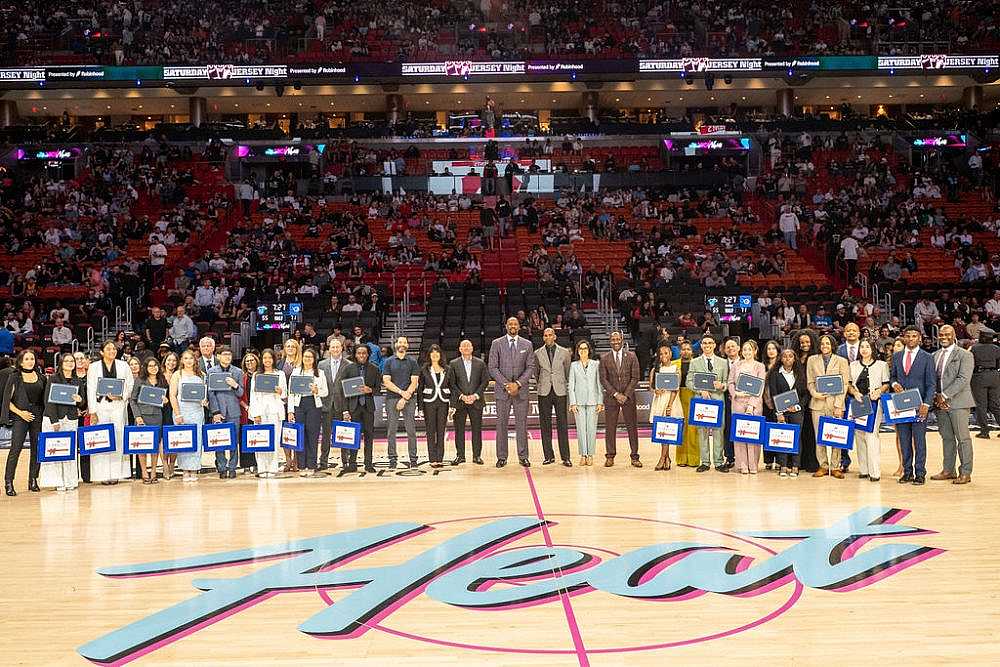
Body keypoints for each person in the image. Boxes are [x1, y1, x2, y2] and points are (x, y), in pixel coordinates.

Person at [890, 326, 937, 485]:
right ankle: (907, 472)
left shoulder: (927, 357)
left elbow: (931, 384)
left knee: (919, 441)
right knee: (904, 440)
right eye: (908, 336)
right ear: (903, 338)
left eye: (914, 336)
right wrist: (894, 383)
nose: (910, 339)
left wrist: (926, 403)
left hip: (919, 406)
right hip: (901, 406)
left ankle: (920, 473)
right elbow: (893, 377)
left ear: (920, 339)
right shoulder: (896, 356)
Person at [488, 317, 535, 467]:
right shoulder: (497, 343)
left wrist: (518, 384)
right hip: (503, 391)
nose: (513, 326)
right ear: (506, 326)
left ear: (519, 327)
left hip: (521, 391)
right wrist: (507, 384)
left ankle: (523, 456)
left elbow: (530, 367)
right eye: (510, 324)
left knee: (522, 424)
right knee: (501, 424)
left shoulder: (527, 344)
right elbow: (493, 367)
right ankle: (502, 457)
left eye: (515, 324)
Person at [930, 325, 974, 485]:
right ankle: (948, 470)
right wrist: (936, 397)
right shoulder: (934, 355)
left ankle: (966, 472)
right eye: (941, 334)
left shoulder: (964, 355)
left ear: (954, 335)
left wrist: (945, 396)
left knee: (963, 438)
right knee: (947, 438)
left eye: (947, 334)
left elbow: (963, 379)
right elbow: (932, 380)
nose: (944, 337)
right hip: (939, 404)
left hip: (958, 402)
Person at [87, 340, 134, 485]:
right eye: (108, 349)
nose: (112, 351)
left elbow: (130, 384)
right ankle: (102, 475)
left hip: (118, 406)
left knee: (118, 439)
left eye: (113, 349)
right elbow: (90, 389)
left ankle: (116, 474)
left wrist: (121, 395)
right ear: (101, 352)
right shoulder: (94, 367)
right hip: (100, 407)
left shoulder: (123, 365)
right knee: (102, 439)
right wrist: (92, 412)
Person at [805, 334, 851, 478]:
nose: (825, 346)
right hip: (817, 404)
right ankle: (823, 466)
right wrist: (814, 394)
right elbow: (810, 382)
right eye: (822, 343)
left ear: (832, 345)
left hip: (835, 405)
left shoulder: (842, 361)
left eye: (827, 343)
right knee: (819, 436)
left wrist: (838, 405)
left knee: (836, 435)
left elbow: (844, 384)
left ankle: (836, 466)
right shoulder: (812, 360)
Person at [40, 352, 86, 491]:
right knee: (56, 450)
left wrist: (80, 401)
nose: (70, 363)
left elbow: (82, 402)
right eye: (67, 361)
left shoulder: (77, 380)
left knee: (70, 451)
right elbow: (48, 400)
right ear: (61, 363)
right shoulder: (53, 378)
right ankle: (57, 481)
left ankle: (71, 480)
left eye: (72, 361)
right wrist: (54, 421)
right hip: (54, 419)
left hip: (71, 419)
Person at [3, 350, 46, 495]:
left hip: (37, 416)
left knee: (37, 449)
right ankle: (9, 482)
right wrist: (21, 413)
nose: (30, 361)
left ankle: (33, 479)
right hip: (20, 416)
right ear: (21, 361)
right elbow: (7, 401)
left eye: (32, 358)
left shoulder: (41, 377)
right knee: (15, 449)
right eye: (27, 359)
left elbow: (45, 399)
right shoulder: (14, 377)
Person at [848, 340, 889, 482]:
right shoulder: (852, 365)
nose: (864, 349)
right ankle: (863, 469)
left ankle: (875, 471)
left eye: (867, 347)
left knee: (871, 435)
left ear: (872, 349)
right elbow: (848, 384)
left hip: (874, 404)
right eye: (862, 347)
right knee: (859, 435)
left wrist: (878, 391)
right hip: (858, 403)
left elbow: (886, 384)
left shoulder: (881, 365)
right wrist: (854, 392)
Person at [687, 334, 729, 473]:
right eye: (704, 343)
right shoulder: (694, 362)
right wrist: (700, 390)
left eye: (710, 343)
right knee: (702, 431)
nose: (707, 345)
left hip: (718, 401)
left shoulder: (723, 362)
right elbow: (689, 382)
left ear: (714, 345)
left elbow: (728, 384)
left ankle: (718, 462)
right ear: (701, 345)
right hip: (701, 401)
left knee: (718, 432)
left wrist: (721, 386)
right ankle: (704, 462)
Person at [599, 331, 641, 468]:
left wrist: (626, 394)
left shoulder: (632, 356)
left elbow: (635, 377)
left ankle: (634, 456)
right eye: (613, 339)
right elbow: (603, 379)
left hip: (628, 398)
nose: (616, 341)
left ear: (622, 340)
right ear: (610, 341)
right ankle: (610, 456)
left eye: (618, 339)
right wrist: (616, 394)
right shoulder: (604, 358)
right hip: (612, 398)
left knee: (632, 427)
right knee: (610, 428)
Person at [445, 339, 488, 465]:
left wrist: (475, 395)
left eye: (468, 345)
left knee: (477, 430)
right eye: (463, 346)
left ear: (472, 348)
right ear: (459, 349)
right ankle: (460, 455)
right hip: (460, 402)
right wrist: (462, 396)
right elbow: (451, 383)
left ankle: (477, 456)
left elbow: (485, 381)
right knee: (459, 430)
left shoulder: (480, 363)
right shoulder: (453, 363)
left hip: (476, 402)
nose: (466, 347)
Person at [287, 346, 328, 477]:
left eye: (310, 357)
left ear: (314, 359)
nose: (307, 359)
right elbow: (291, 393)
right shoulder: (296, 371)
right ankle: (301, 464)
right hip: (299, 405)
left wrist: (317, 391)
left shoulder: (320, 373)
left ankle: (311, 465)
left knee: (313, 434)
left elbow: (325, 392)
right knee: (301, 435)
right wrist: (290, 411)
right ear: (302, 358)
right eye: (305, 357)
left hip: (314, 405)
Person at [766, 348, 807, 477]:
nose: (787, 358)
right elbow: (774, 394)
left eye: (790, 356)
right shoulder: (774, 374)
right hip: (781, 412)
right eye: (784, 356)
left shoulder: (800, 374)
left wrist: (798, 407)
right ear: (780, 358)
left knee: (796, 438)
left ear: (794, 359)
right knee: (782, 438)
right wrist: (779, 413)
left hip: (796, 412)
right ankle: (783, 465)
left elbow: (805, 395)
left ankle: (795, 465)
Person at [534, 327, 572, 466]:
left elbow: (568, 372)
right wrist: (543, 383)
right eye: (545, 335)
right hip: (544, 391)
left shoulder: (565, 352)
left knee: (562, 424)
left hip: (560, 391)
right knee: (545, 425)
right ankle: (548, 456)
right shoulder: (537, 353)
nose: (548, 337)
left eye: (550, 334)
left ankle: (565, 457)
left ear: (555, 336)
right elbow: (536, 373)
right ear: (543, 338)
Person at [728, 340, 766, 474]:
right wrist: (735, 393)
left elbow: (760, 386)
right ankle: (742, 464)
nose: (747, 352)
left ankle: (753, 464)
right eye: (744, 350)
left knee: (753, 434)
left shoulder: (760, 366)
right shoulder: (735, 365)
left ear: (755, 351)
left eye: (750, 350)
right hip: (738, 402)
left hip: (754, 405)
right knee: (740, 435)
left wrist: (751, 405)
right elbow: (730, 383)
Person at [169, 349, 208, 482]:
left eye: (191, 358)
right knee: (184, 441)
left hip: (197, 411)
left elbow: (204, 394)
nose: (188, 361)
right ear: (182, 360)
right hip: (182, 411)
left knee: (197, 441)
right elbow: (172, 396)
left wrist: (204, 401)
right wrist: (178, 414)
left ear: (195, 360)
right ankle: (185, 470)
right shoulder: (177, 375)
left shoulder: (201, 375)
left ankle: (194, 468)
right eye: (185, 358)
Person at [129, 356, 169, 484]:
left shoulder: (161, 380)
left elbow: (165, 399)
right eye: (150, 366)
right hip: (142, 417)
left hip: (157, 416)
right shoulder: (140, 380)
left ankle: (153, 472)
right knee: (142, 446)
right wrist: (137, 416)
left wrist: (165, 401)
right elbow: (132, 400)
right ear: (145, 367)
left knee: (155, 446)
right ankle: (144, 473)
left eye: (155, 365)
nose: (153, 368)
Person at [382, 336, 420, 468]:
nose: (402, 344)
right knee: (391, 430)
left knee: (411, 430)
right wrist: (401, 393)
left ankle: (413, 459)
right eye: (400, 342)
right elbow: (386, 381)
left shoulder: (412, 361)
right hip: (392, 399)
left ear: (407, 345)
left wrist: (404, 397)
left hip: (409, 399)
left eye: (405, 342)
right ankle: (392, 459)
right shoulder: (388, 361)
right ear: (396, 344)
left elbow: (414, 382)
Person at [343, 344, 382, 472]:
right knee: (353, 437)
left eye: (364, 353)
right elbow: (343, 391)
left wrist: (370, 389)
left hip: (368, 408)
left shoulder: (374, 369)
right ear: (355, 354)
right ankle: (352, 464)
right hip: (354, 407)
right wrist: (346, 410)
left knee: (369, 436)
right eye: (359, 353)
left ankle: (368, 464)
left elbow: (378, 388)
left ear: (368, 354)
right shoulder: (349, 369)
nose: (361, 355)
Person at [248, 348, 286, 478]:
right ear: (262, 360)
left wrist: (280, 391)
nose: (267, 360)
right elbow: (253, 396)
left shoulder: (280, 374)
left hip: (275, 410)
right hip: (261, 411)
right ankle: (262, 468)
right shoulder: (256, 375)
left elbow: (285, 394)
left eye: (270, 358)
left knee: (274, 440)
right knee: (261, 439)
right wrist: (255, 414)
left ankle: (272, 468)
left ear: (274, 359)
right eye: (265, 358)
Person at [208, 346, 244, 479]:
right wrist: (215, 411)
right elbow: (210, 393)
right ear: (218, 356)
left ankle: (233, 467)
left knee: (234, 441)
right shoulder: (212, 371)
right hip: (218, 412)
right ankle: (222, 467)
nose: (227, 357)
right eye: (224, 354)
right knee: (219, 440)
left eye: (229, 354)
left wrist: (235, 385)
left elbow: (241, 392)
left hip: (234, 411)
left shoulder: (238, 372)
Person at [568, 339, 603, 466]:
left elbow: (599, 384)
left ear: (589, 350)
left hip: (593, 401)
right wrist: (573, 403)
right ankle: (583, 454)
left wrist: (600, 401)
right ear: (578, 351)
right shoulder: (574, 365)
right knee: (581, 429)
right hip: (579, 402)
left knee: (591, 429)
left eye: (585, 348)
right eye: (580, 349)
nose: (583, 351)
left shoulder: (596, 364)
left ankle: (590, 455)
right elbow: (571, 385)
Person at [649, 342, 682, 471]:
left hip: (671, 401)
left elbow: (676, 389)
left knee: (668, 431)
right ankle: (666, 458)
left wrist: (669, 405)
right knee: (662, 431)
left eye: (666, 353)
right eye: (661, 353)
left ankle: (662, 458)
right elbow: (650, 386)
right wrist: (655, 391)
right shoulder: (655, 369)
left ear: (670, 353)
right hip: (659, 400)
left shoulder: (676, 369)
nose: (664, 355)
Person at [318, 337, 349, 470]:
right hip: (326, 405)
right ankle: (323, 462)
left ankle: (345, 461)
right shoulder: (321, 365)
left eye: (337, 347)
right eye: (333, 347)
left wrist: (347, 409)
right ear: (329, 349)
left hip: (342, 405)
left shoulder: (349, 365)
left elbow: (349, 389)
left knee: (343, 434)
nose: (335, 349)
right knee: (325, 435)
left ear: (342, 348)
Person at [792, 330, 820, 472]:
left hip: (811, 397)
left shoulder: (815, 358)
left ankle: (812, 463)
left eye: (807, 342)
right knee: (800, 432)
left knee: (810, 432)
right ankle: (799, 462)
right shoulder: (794, 358)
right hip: (796, 397)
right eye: (802, 342)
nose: (804, 344)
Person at [418, 344, 451, 467]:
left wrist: (452, 405)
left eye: (437, 353)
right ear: (429, 355)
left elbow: (452, 386)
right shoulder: (424, 369)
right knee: (430, 431)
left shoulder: (447, 368)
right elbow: (420, 389)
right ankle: (432, 458)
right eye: (432, 353)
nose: (435, 355)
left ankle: (440, 458)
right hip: (428, 403)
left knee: (441, 431)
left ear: (440, 355)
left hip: (443, 402)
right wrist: (420, 407)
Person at [675, 340, 700, 467]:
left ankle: (694, 459)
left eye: (688, 349)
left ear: (692, 351)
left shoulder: (697, 364)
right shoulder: (674, 364)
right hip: (678, 397)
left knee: (693, 428)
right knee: (681, 427)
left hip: (693, 396)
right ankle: (681, 458)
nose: (686, 351)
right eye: (683, 349)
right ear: (680, 351)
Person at [970, 331, 1000, 438]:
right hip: (994, 376)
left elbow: (971, 363)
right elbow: (998, 364)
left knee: (980, 405)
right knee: (995, 405)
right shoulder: (997, 348)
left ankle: (984, 431)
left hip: (979, 376)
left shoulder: (974, 348)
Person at [760, 339, 781, 470]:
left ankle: (779, 460)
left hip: (779, 403)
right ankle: (768, 460)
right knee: (766, 432)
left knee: (778, 431)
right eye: (769, 349)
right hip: (764, 403)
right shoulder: (761, 366)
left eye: (773, 348)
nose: (771, 351)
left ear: (778, 350)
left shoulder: (782, 365)